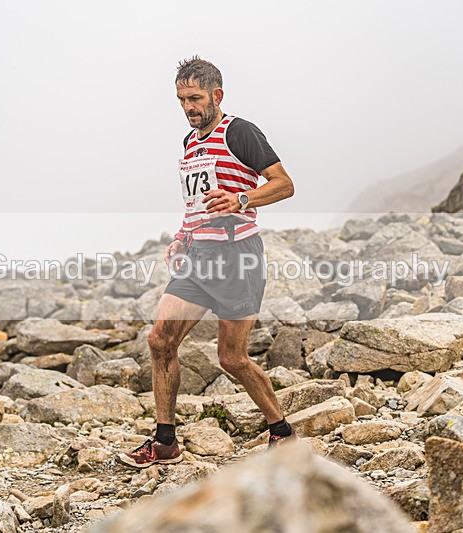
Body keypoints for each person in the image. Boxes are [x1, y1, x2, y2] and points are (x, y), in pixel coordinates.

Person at [117, 56, 296, 469]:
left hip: (238, 257)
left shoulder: (240, 132)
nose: (188, 107)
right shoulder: (190, 143)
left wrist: (241, 199)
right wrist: (182, 237)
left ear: (217, 95)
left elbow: (284, 184)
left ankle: (282, 432)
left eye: (195, 98)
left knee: (232, 358)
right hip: (199, 257)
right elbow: (195, 203)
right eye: (182, 99)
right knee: (160, 340)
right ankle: (165, 442)